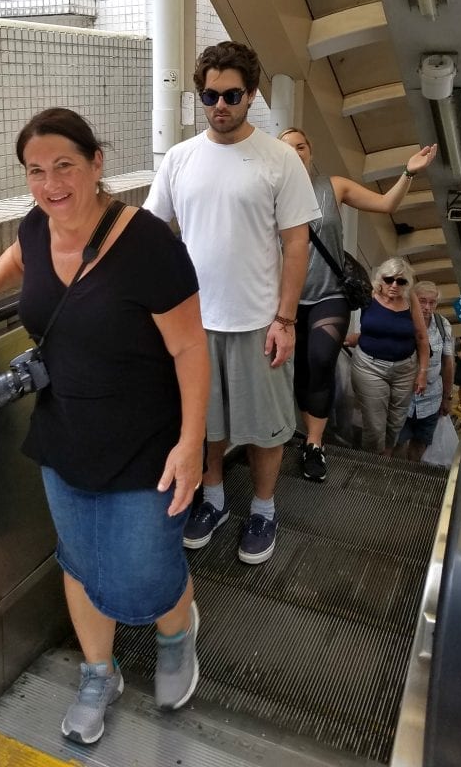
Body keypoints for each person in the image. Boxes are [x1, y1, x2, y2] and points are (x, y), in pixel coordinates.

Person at [0, 108, 209, 746]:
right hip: (64, 430)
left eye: (64, 167)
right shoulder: (39, 224)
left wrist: (191, 445)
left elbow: (191, 349)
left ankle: (176, 635)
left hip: (145, 440)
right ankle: (98, 674)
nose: (50, 184)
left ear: (97, 163)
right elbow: (21, 253)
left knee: (146, 563)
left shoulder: (148, 246)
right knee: (78, 559)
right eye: (35, 171)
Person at [145, 41, 320, 565]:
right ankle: (215, 499)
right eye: (208, 95)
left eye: (231, 94)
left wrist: (286, 319)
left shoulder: (278, 159)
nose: (219, 104)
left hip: (259, 319)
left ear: (250, 95)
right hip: (194, 323)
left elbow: (296, 242)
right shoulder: (180, 159)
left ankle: (264, 508)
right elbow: (153, 234)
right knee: (206, 422)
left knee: (266, 424)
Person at [278, 128, 437, 481]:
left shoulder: (332, 187)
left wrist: (408, 172)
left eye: (300, 146)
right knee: (298, 370)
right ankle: (296, 432)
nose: (294, 154)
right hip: (285, 299)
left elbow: (386, 205)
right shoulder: (270, 192)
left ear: (310, 150)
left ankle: (315, 444)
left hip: (329, 295)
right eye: (285, 149)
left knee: (320, 361)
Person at [345, 257, 430, 454]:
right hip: (370, 367)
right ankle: (372, 466)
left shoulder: (410, 300)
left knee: (395, 424)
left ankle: (384, 462)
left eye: (401, 281)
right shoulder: (369, 295)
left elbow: (421, 337)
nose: (394, 285)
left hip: (405, 368)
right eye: (389, 279)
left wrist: (423, 371)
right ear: (380, 279)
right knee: (375, 425)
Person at [393, 281, 454, 461]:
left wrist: (447, 398)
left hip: (431, 400)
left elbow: (448, 363)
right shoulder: (402, 321)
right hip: (402, 399)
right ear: (413, 300)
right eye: (422, 301)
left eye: (432, 302)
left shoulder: (443, 325)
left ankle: (410, 479)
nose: (427, 307)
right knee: (396, 443)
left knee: (419, 446)